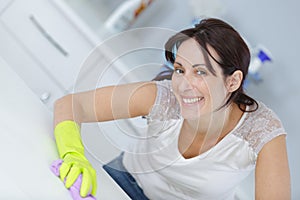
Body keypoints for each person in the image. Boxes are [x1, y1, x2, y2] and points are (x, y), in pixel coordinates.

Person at [53, 18, 291, 199]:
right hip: (121, 184)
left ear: (232, 81)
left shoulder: (261, 131)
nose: (184, 85)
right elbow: (73, 105)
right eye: (180, 69)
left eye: (200, 72)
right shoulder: (164, 96)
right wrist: (73, 154)